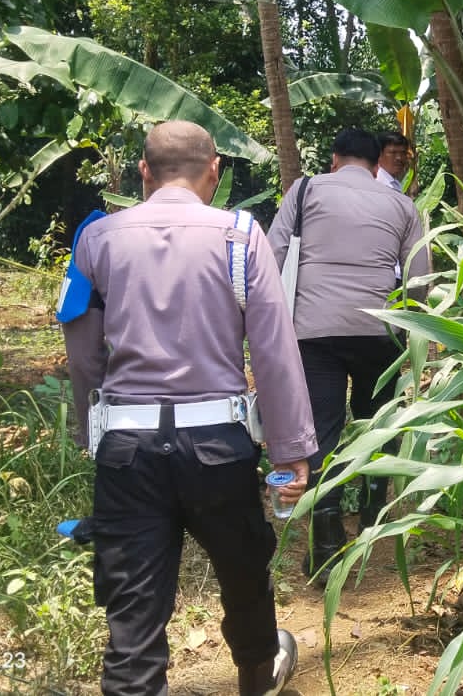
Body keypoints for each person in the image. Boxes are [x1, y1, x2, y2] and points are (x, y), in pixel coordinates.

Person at [61, 121, 317, 696]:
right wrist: (291, 450)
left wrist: (94, 433)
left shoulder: (96, 239)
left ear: (144, 172)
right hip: (217, 447)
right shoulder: (240, 236)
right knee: (243, 571)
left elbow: (82, 354)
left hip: (128, 451)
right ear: (215, 171)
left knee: (132, 604)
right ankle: (257, 675)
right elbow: (274, 351)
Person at [269, 127, 430, 578]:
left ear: (334, 159)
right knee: (376, 424)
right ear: (377, 165)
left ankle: (325, 543)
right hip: (380, 330)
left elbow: (273, 254)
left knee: (321, 429)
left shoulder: (305, 190)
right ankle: (373, 521)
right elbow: (418, 278)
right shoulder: (403, 205)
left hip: (313, 331)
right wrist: (409, 332)